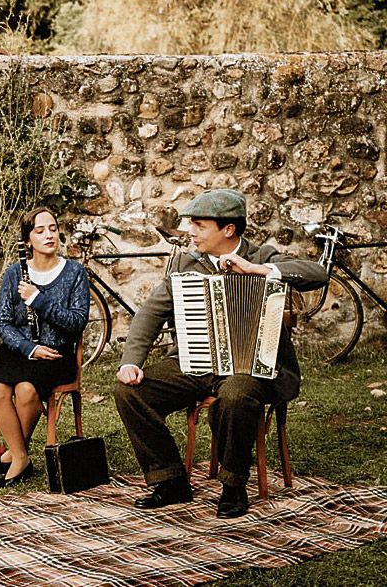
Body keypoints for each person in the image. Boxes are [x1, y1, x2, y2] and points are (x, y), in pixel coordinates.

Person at [115, 189, 328, 518]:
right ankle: (170, 479)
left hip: (252, 367)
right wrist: (131, 361)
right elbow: (151, 312)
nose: (190, 232)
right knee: (131, 391)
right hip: (196, 361)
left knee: (235, 395)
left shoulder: (262, 256)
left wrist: (259, 271)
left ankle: (233, 485)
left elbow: (318, 274)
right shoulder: (185, 262)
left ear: (228, 229)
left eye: (199, 225)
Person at [0, 208, 90, 486]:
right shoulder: (14, 273)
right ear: (28, 240)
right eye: (40, 230)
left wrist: (38, 300)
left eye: (53, 228)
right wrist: (28, 348)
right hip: (20, 350)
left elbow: (77, 323)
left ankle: (15, 454)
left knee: (26, 390)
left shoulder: (74, 272)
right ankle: (21, 455)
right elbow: (3, 321)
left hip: (56, 352)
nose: (49, 235)